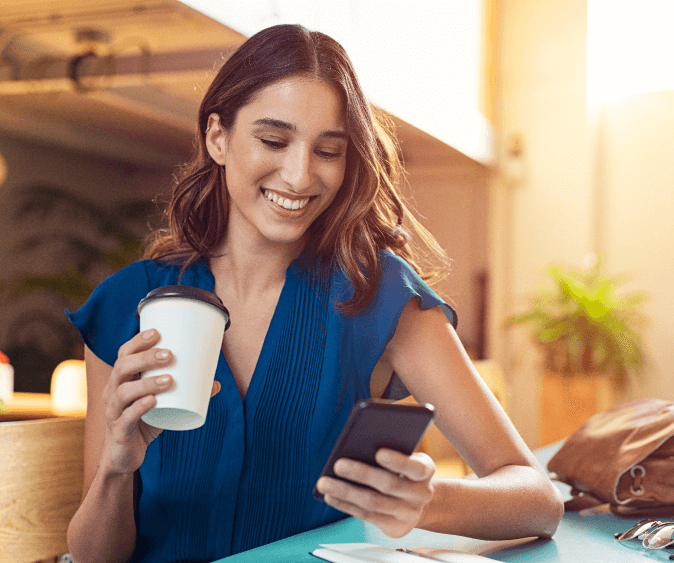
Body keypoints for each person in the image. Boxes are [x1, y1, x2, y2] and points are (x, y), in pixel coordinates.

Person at [66, 24, 563, 563]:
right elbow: (95, 558)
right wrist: (116, 469)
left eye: (328, 150)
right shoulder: (127, 303)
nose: (301, 176)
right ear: (217, 137)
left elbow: (537, 499)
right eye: (273, 141)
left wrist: (427, 500)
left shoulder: (379, 296)